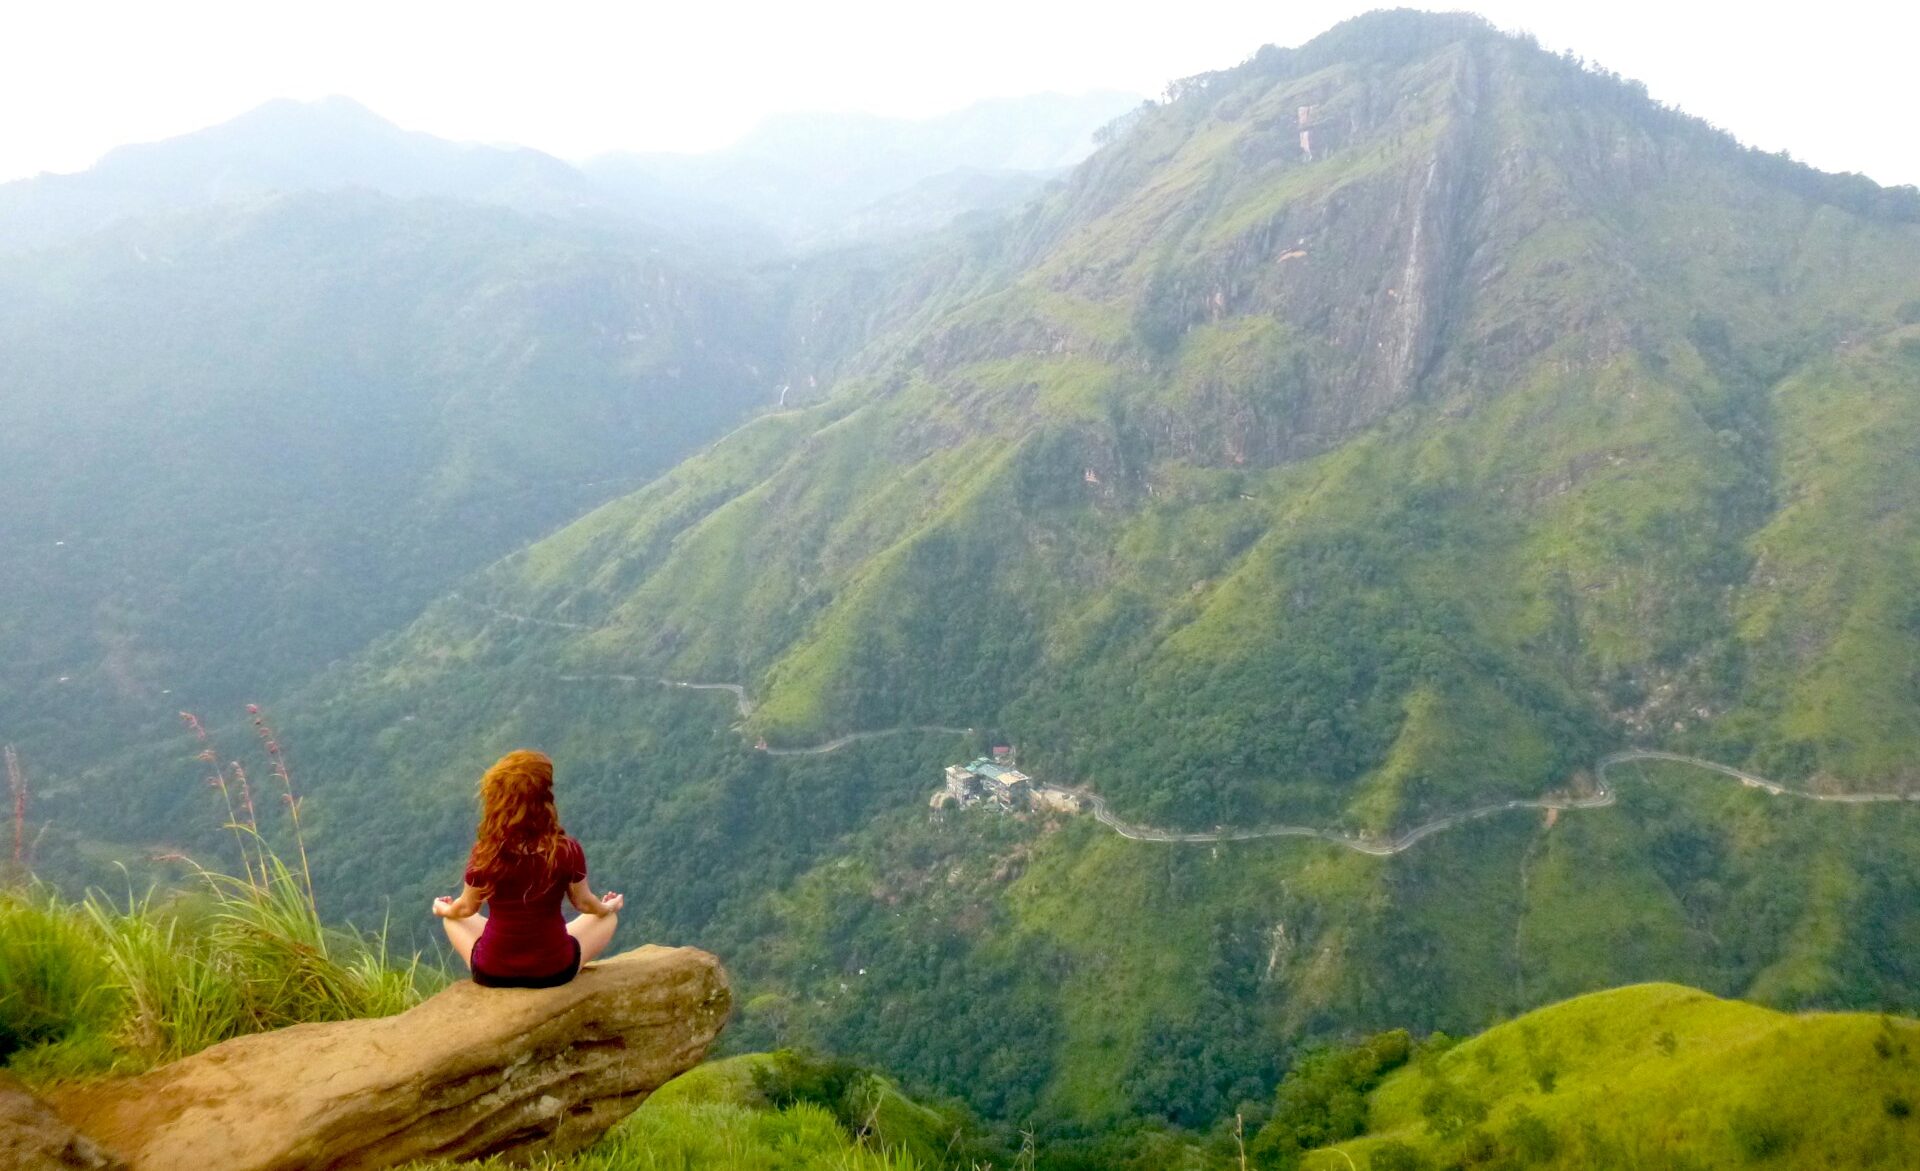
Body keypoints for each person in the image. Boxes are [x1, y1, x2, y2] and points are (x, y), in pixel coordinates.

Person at [432, 749, 623, 987]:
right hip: (553, 971)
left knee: (453, 919)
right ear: (543, 802)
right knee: (607, 919)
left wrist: (442, 909)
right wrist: (608, 906)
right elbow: (585, 904)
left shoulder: (486, 852)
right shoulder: (566, 850)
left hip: (493, 972)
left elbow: (465, 909)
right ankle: (553, 941)